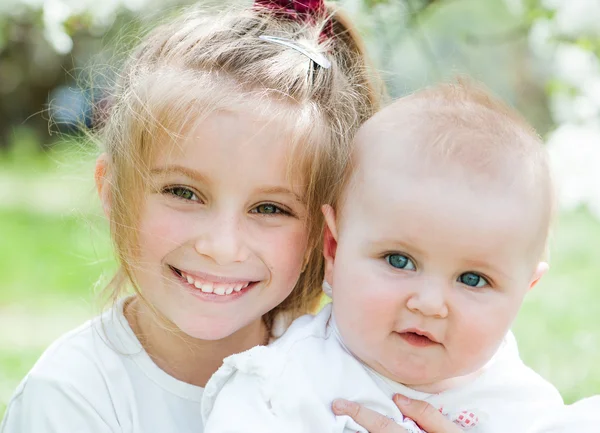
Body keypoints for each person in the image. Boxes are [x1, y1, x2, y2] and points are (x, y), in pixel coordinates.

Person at [0, 1, 394, 431]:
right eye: (183, 193)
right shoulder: (71, 398)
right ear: (113, 192)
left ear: (325, 231)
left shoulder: (351, 372)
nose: (221, 246)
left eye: (269, 208)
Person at [201, 80, 566, 433]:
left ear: (525, 289)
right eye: (399, 260)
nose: (429, 304)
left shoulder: (529, 411)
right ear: (334, 249)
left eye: (472, 279)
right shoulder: (277, 389)